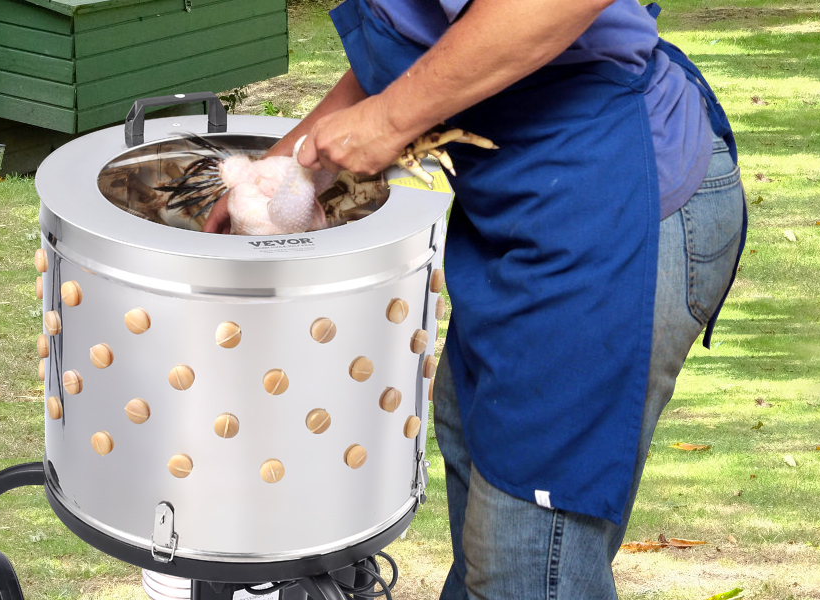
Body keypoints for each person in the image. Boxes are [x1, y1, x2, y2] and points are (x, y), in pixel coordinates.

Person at [205, 0, 748, 597]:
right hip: (524, 211)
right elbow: (418, 42)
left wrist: (388, 122)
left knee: (525, 562)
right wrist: (280, 171)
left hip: (608, 207)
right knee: (483, 531)